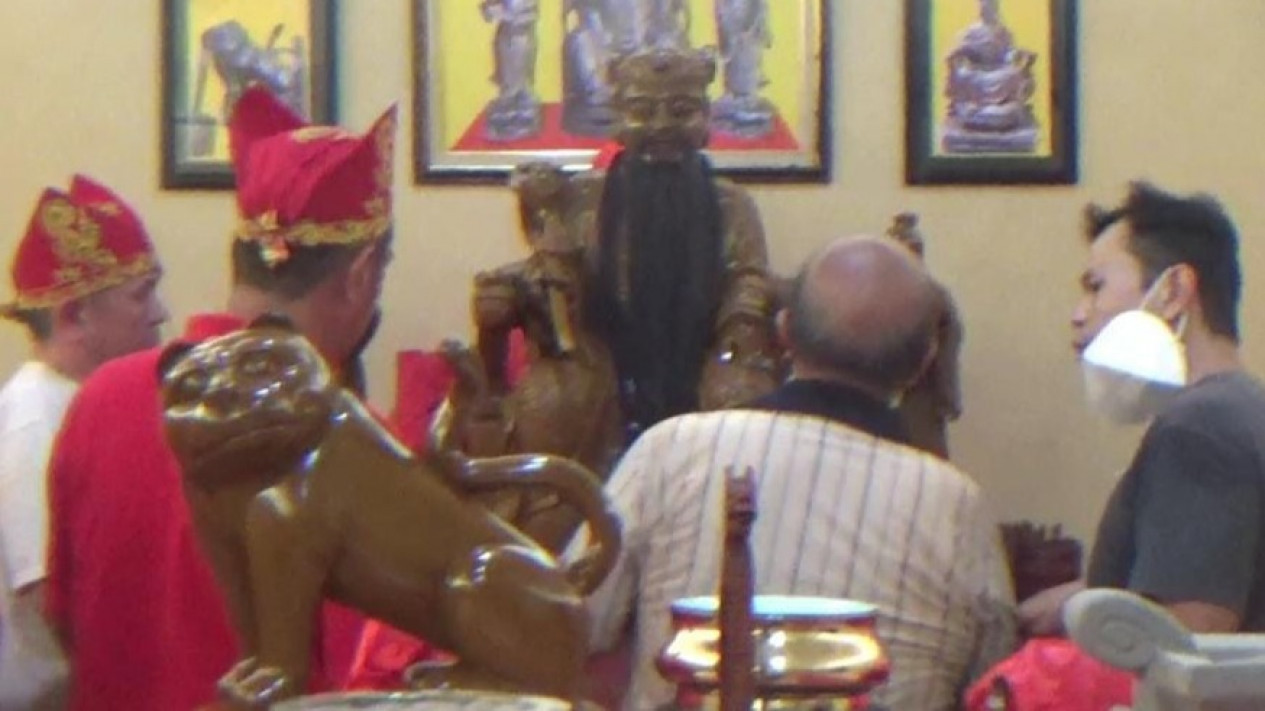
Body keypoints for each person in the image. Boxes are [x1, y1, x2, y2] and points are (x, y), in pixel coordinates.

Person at [43, 87, 405, 710]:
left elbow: (62, 618)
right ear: (360, 274)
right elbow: (364, 682)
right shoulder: (351, 438)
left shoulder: (100, 398)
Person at [571, 236, 1016, 710]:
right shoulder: (957, 506)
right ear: (925, 362)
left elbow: (567, 619)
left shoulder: (671, 450)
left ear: (783, 331)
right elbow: (997, 685)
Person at [470, 46, 780, 451]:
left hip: (706, 350)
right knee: (552, 404)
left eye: (681, 110)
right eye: (642, 111)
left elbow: (748, 278)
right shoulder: (581, 197)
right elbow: (553, 267)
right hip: (598, 354)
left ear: (705, 117)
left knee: (740, 403)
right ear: (617, 117)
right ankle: (558, 491)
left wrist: (740, 327)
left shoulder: (731, 204)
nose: (662, 125)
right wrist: (512, 286)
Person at [1022, 181, 1265, 637]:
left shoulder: (1200, 427)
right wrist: (1080, 597)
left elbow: (1190, 644)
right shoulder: (1243, 408)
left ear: (1173, 291)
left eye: (1096, 287)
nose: (1079, 314)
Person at [0, 176, 166, 708]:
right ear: (74, 317)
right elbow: (49, 601)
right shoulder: (32, 420)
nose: (160, 312)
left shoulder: (88, 403)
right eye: (141, 294)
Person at [885, 212, 964, 459]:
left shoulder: (930, 296)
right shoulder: (887, 293)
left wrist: (946, 394)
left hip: (918, 399)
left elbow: (943, 346)